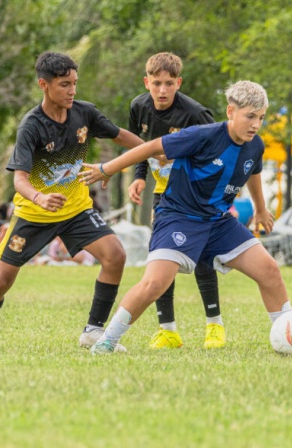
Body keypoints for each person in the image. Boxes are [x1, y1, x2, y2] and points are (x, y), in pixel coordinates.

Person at [80, 80, 292, 354]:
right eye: (250, 116)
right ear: (231, 111)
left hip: (218, 223)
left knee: (269, 270)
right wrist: (107, 168)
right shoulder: (202, 135)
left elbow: (252, 171)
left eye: (261, 117)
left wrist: (261, 208)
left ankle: (289, 335)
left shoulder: (255, 145)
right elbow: (149, 147)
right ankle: (106, 342)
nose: (255, 124)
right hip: (179, 217)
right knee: (154, 284)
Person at [0, 51, 145, 350]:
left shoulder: (85, 113)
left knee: (115, 256)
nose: (72, 91)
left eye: (74, 83)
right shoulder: (31, 126)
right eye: (64, 85)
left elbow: (120, 136)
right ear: (43, 85)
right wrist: (40, 197)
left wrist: (158, 150)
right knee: (0, 282)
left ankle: (93, 331)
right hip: (34, 213)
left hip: (76, 209)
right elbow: (19, 179)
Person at [127, 52, 225, 349]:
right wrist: (139, 175)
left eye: (169, 83)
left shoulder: (196, 113)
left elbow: (219, 152)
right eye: (156, 83)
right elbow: (138, 146)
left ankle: (214, 327)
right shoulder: (138, 107)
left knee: (204, 256)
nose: (162, 90)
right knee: (162, 257)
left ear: (178, 83)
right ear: (147, 82)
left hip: (196, 194)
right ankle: (168, 331)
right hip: (163, 195)